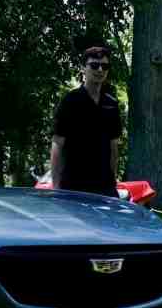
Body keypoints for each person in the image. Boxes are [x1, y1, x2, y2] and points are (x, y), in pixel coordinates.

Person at [49, 46, 121, 197]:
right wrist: (55, 186)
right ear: (83, 68)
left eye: (104, 66)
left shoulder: (111, 104)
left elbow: (113, 147)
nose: (100, 70)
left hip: (105, 187)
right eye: (94, 65)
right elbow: (57, 144)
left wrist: (113, 180)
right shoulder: (70, 101)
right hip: (73, 185)